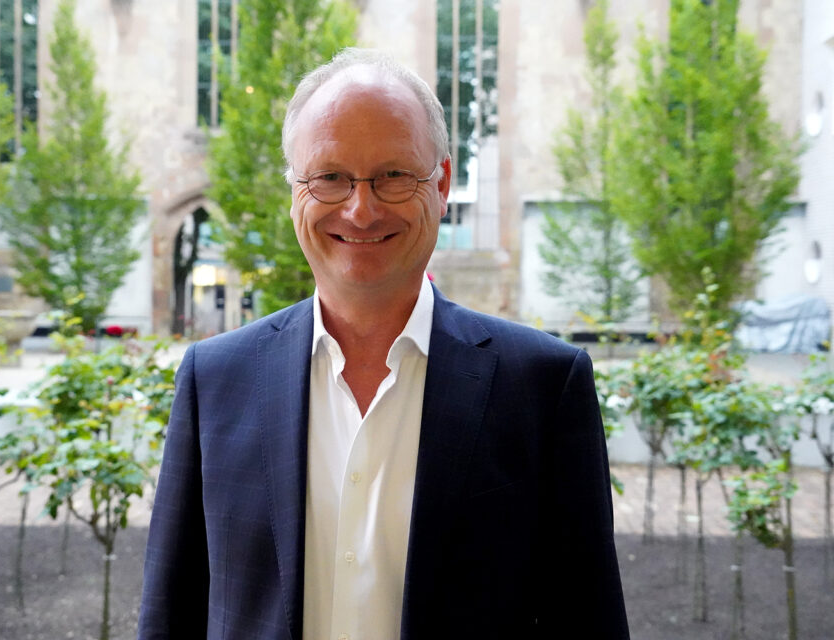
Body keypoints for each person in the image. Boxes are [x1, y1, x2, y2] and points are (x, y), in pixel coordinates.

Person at [138, 48, 629, 640]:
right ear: (294, 190)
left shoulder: (543, 387)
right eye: (330, 177)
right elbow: (170, 614)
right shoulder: (214, 380)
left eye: (394, 175)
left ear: (441, 183)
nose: (361, 209)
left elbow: (587, 620)